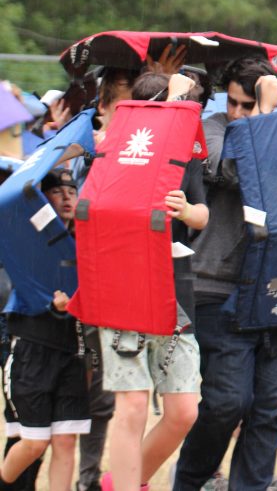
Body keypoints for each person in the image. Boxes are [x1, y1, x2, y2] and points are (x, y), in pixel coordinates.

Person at [174, 58, 277, 491]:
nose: (236, 113)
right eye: (232, 102)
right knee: (227, 403)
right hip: (217, 286)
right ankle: (188, 483)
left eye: (248, 105)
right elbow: (232, 169)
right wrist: (266, 115)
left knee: (267, 412)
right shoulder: (208, 128)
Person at [97, 72, 209, 491]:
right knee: (131, 408)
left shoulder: (188, 155)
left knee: (183, 411)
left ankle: (120, 482)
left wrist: (187, 212)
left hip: (175, 286)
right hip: (125, 285)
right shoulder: (115, 153)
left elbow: (203, 214)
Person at [0, 169, 90, 491]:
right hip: (30, 348)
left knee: (65, 442)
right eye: (57, 191)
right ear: (42, 197)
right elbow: (21, 188)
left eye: (72, 190)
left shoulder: (85, 242)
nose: (67, 197)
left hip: (72, 350)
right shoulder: (23, 236)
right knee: (33, 444)